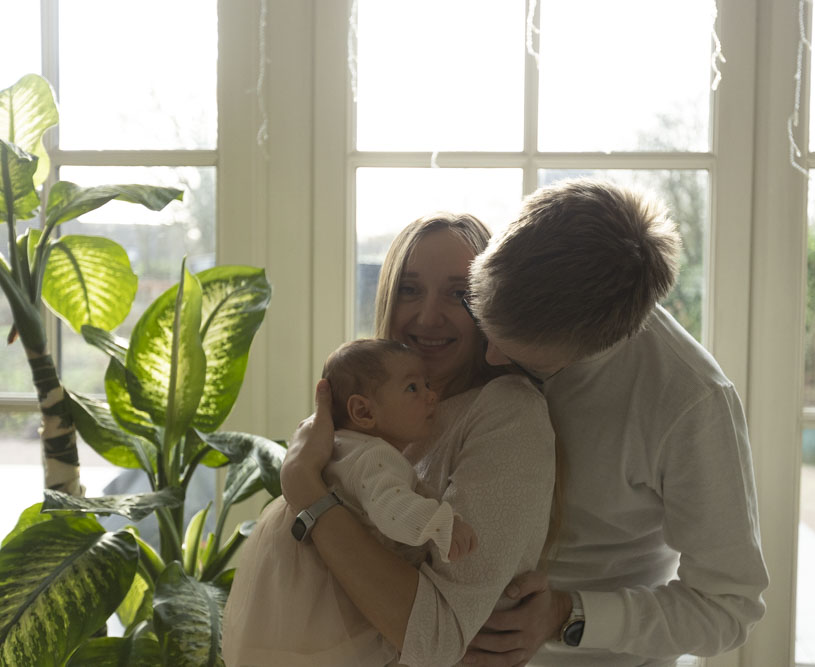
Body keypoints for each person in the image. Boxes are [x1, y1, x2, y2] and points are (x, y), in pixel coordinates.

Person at [455, 177, 769, 666]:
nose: (489, 356)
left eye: (521, 357)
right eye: (480, 321)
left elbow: (728, 609)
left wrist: (568, 615)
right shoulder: (506, 305)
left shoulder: (691, 400)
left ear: (593, 346)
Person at [278, 213, 557, 667]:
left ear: (490, 304)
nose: (428, 317)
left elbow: (437, 637)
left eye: (459, 293)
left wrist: (304, 489)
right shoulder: (380, 416)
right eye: (409, 289)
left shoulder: (508, 413)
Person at [222, 338, 479, 665]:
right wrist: (442, 524)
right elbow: (393, 511)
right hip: (333, 591)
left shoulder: (340, 446)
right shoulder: (374, 456)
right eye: (413, 388)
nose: (432, 395)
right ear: (363, 411)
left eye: (427, 384)